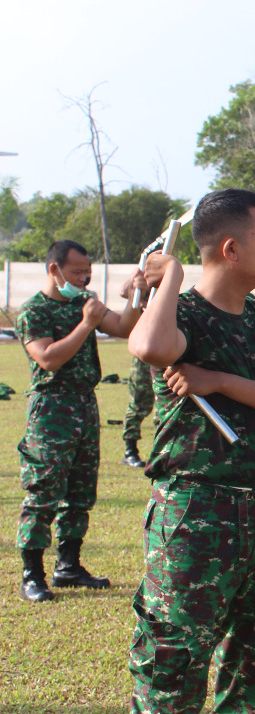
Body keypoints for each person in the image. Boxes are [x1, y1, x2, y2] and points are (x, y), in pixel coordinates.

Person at [115, 188, 255, 714]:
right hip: (194, 514)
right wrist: (170, 273)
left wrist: (216, 380)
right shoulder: (186, 315)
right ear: (230, 247)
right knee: (171, 671)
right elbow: (148, 345)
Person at [15, 240, 144, 602]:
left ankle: (68, 565)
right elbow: (47, 359)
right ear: (54, 269)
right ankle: (32, 574)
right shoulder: (34, 311)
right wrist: (86, 324)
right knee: (43, 492)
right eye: (76, 272)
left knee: (80, 491)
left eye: (87, 271)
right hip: (51, 409)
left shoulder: (82, 303)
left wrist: (136, 294)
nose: (84, 278)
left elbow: (123, 327)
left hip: (86, 406)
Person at [119, 277, 155, 470]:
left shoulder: (168, 288)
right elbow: (123, 290)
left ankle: (160, 452)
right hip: (142, 358)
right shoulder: (140, 288)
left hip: (164, 355)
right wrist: (138, 279)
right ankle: (130, 450)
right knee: (139, 403)